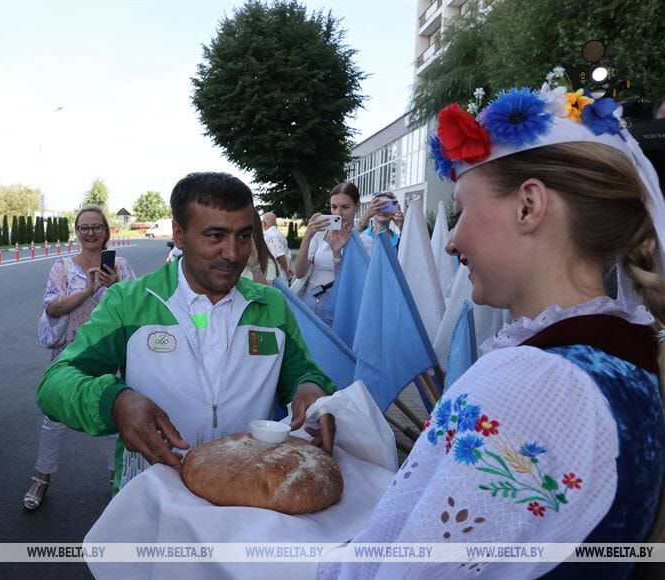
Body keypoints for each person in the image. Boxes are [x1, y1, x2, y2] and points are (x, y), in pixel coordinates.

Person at [320, 79, 665, 578]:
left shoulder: (533, 381)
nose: (450, 240)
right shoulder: (626, 357)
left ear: (529, 206)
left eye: (461, 209)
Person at [36, 172, 336, 495]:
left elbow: (302, 373)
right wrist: (115, 402)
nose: (233, 253)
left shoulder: (272, 305)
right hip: (152, 503)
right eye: (215, 236)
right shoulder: (129, 303)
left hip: (245, 502)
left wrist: (310, 386)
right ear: (179, 235)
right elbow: (55, 383)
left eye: (244, 236)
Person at [23, 205, 137, 511]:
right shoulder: (62, 268)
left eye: (96, 227)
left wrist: (114, 286)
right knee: (54, 420)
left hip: (110, 356)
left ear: (106, 232)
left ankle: (117, 479)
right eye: (84, 227)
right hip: (70, 354)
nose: (90, 233)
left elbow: (134, 307)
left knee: (112, 417)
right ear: (76, 231)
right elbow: (52, 308)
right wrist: (88, 289)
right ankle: (41, 478)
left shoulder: (121, 266)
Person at [294, 181, 373, 324]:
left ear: (357, 206)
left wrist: (338, 255)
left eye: (345, 207)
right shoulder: (319, 234)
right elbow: (299, 273)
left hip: (342, 304)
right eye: (334, 207)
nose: (338, 213)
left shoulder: (365, 242)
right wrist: (307, 236)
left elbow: (357, 283)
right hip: (310, 299)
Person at [261, 212, 292, 281]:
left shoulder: (270, 236)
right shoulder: (279, 234)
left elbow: (280, 255)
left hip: (278, 274)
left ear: (264, 223)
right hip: (280, 273)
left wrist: (286, 271)